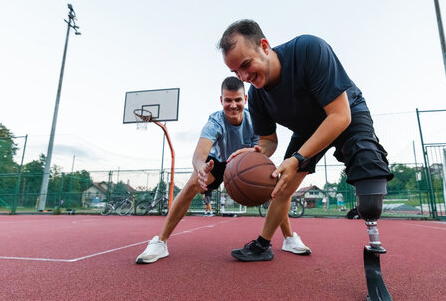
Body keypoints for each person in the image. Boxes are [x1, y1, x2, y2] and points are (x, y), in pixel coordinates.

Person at [218, 19, 393, 262]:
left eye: (246, 64)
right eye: (236, 72)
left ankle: (374, 240)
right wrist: (254, 152)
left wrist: (299, 158)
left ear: (265, 46)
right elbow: (268, 141)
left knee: (367, 160)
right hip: (306, 129)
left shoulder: (309, 49)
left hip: (346, 110)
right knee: (282, 186)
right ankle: (262, 245)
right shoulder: (257, 98)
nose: (244, 76)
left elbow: (340, 116)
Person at [135, 77, 311, 264]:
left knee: (277, 190)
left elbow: (264, 149)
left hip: (247, 161)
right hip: (218, 162)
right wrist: (200, 167)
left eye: (237, 100)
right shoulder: (215, 121)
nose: (233, 105)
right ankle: (160, 241)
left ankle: (289, 238)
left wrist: (255, 164)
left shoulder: (255, 119)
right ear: (221, 101)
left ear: (245, 99)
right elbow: (200, 152)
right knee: (191, 185)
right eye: (228, 100)